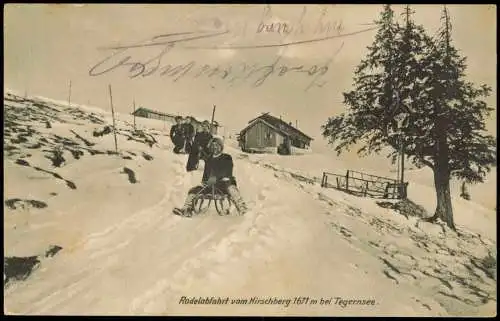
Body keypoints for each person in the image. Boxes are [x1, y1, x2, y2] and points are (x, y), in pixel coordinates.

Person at [174, 137, 248, 216]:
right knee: (194, 190)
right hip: (211, 186)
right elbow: (206, 174)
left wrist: (217, 178)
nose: (215, 148)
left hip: (224, 184)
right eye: (213, 146)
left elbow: (227, 171)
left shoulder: (226, 157)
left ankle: (242, 208)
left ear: (221, 147)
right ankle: (186, 210)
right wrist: (205, 182)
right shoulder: (209, 159)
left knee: (231, 188)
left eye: (217, 146)